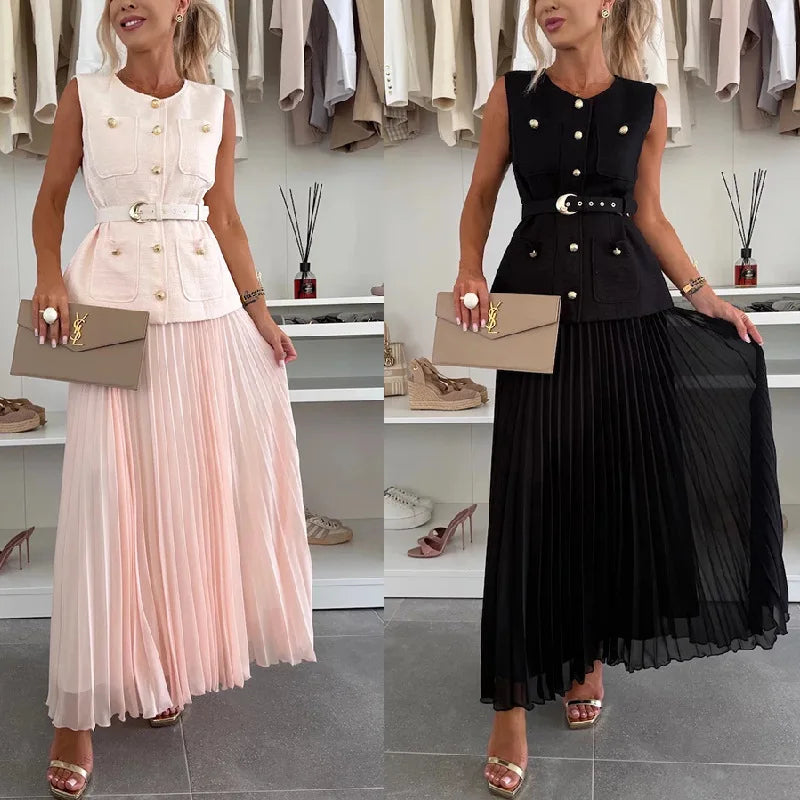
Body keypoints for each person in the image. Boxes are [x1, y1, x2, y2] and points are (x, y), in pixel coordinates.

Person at [452, 0, 790, 796]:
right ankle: (510, 701)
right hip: (526, 309)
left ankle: (585, 654)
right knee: (531, 498)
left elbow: (649, 216)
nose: (548, 6)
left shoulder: (648, 102)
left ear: (607, 5)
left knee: (610, 491)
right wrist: (468, 268)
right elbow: (479, 195)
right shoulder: (509, 95)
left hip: (631, 309)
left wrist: (705, 294)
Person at [32, 2, 316, 797]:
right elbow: (52, 200)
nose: (129, 3)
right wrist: (49, 275)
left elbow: (223, 217)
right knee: (105, 502)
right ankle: (76, 710)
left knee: (183, 503)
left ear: (184, 6)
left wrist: (262, 314)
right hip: (112, 312)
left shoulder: (215, 105)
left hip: (203, 313)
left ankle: (160, 664)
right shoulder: (83, 96)